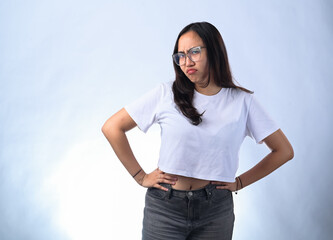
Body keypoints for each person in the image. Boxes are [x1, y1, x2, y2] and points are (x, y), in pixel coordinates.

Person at [102, 21, 294, 240]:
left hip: (215, 211)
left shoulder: (242, 102)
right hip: (165, 207)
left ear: (214, 51)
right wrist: (140, 176)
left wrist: (239, 182)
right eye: (180, 56)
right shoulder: (166, 93)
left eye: (194, 52)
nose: (187, 62)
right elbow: (112, 127)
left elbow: (284, 151)